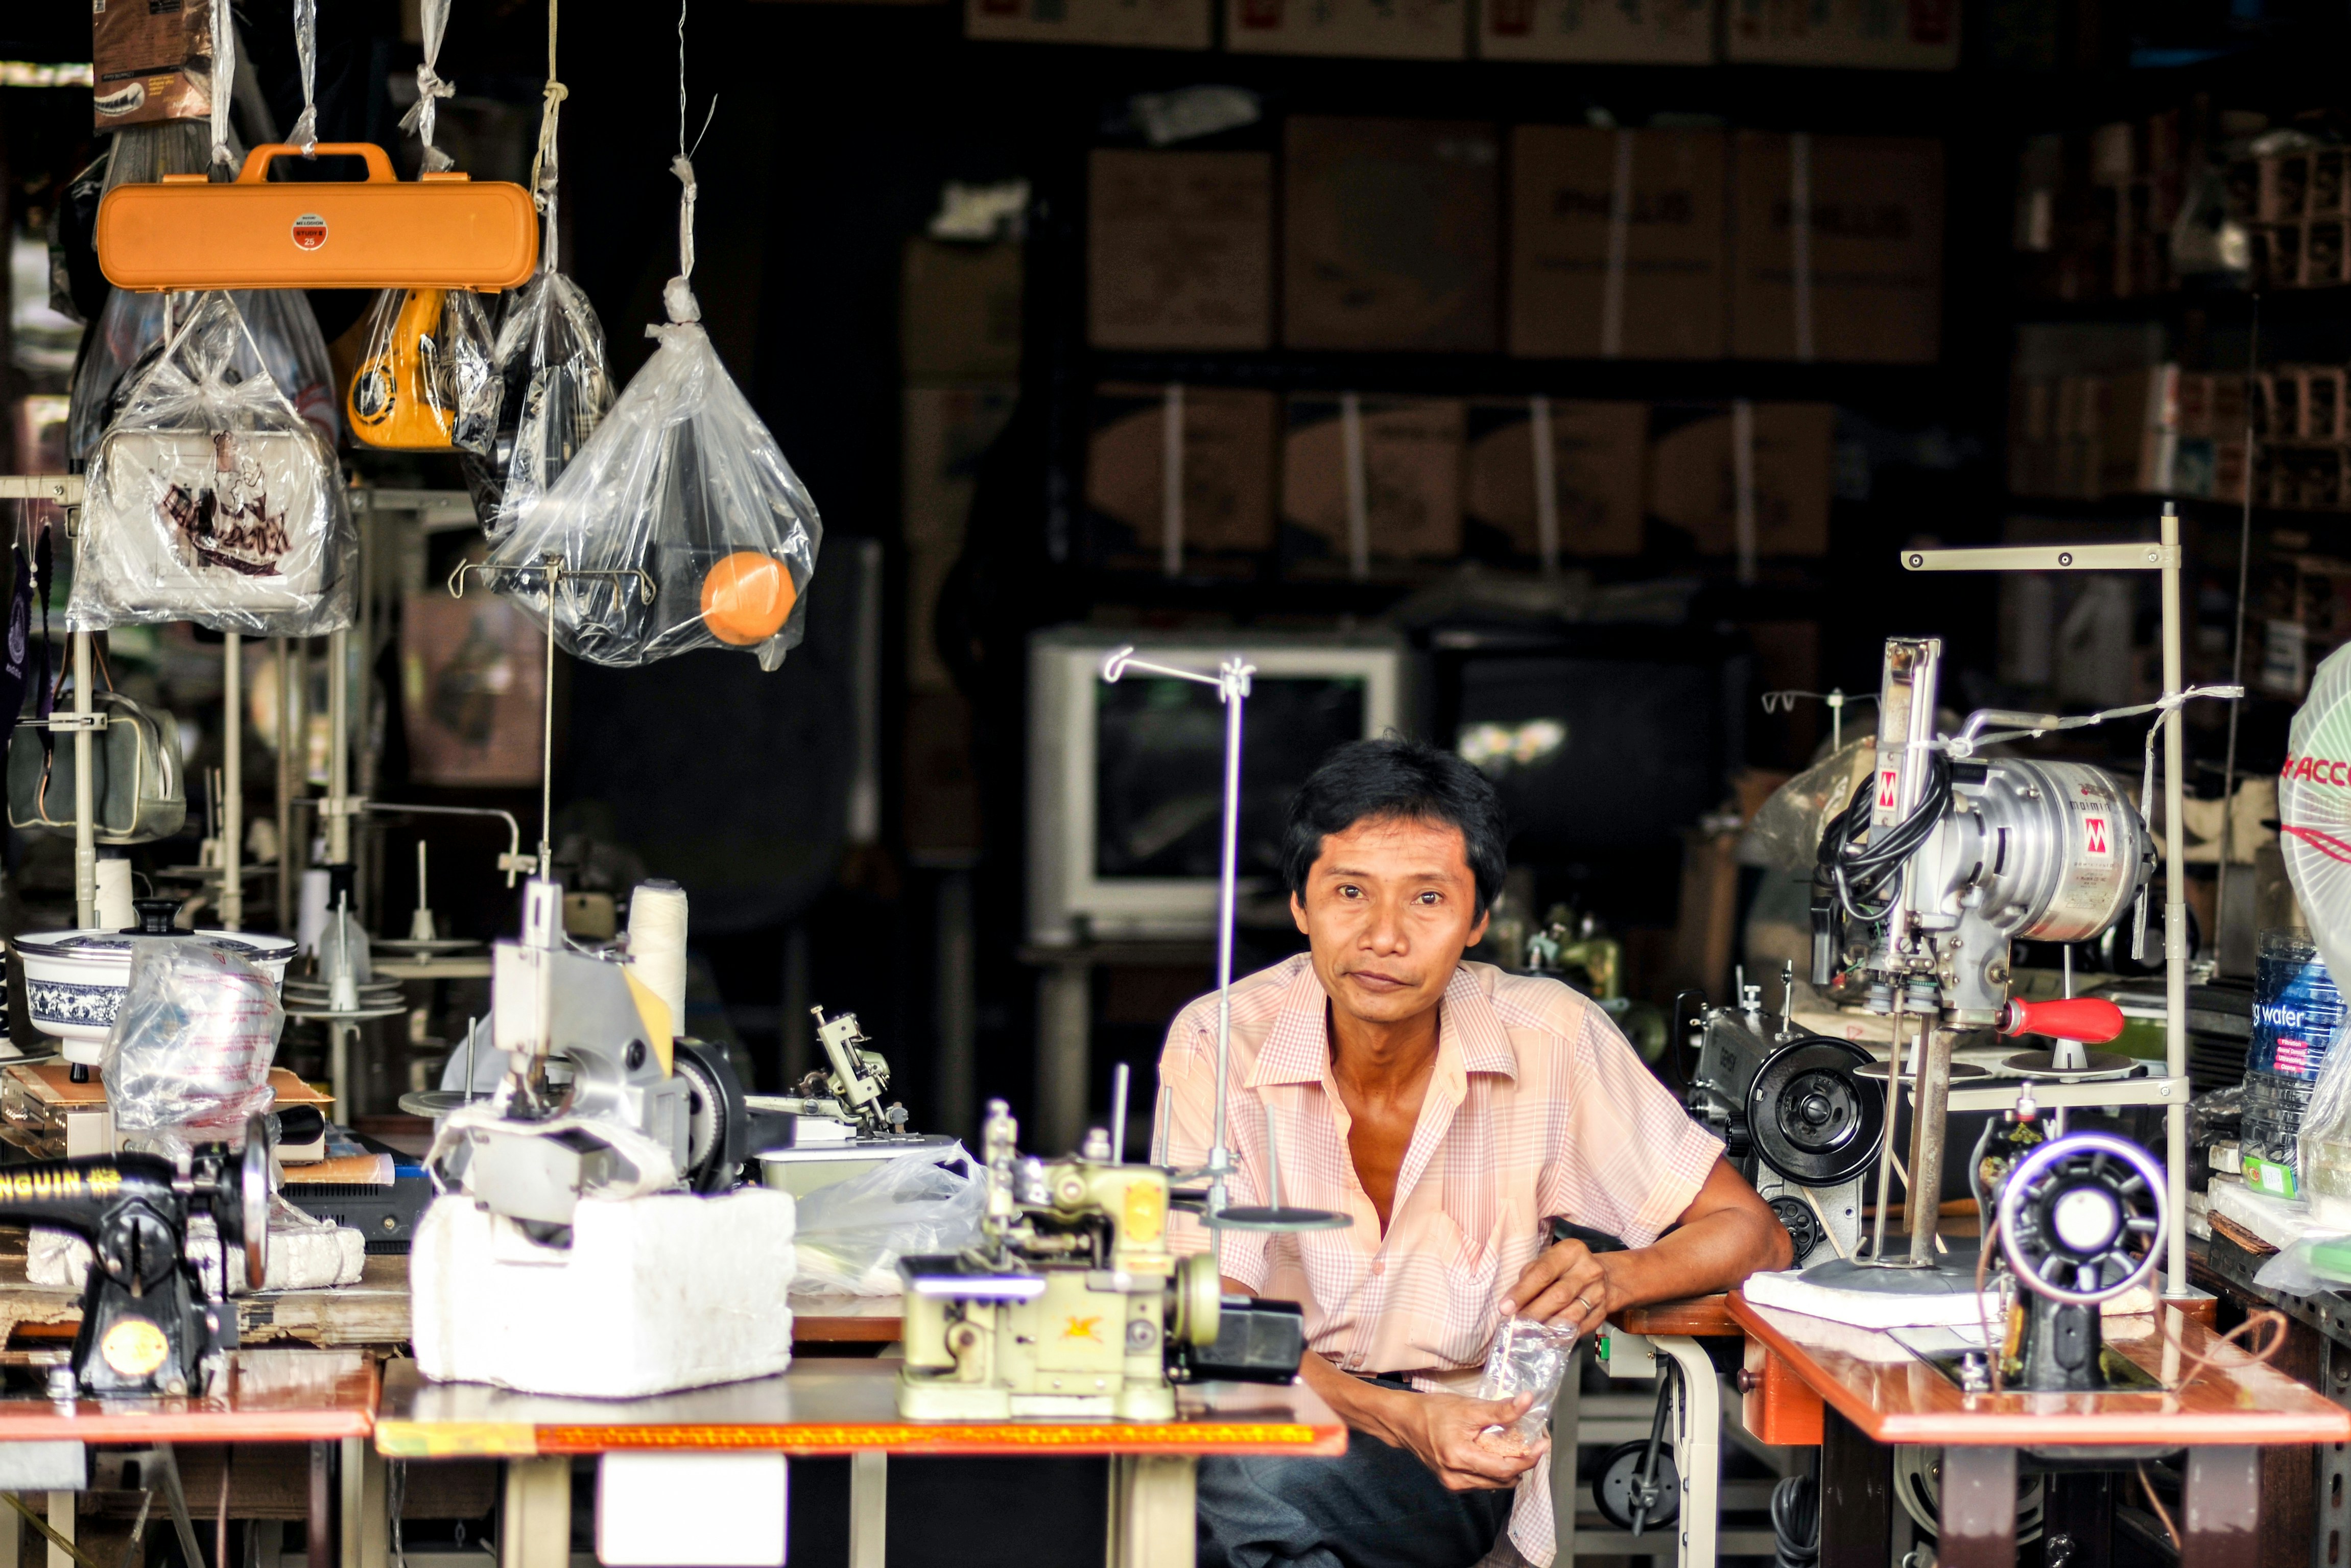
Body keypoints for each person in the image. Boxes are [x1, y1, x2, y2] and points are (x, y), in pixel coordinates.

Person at [1155, 738, 1790, 1568]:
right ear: (1303, 905)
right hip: (1278, 1410)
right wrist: (1396, 1417)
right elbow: (1215, 1332)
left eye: (1427, 898)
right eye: (1350, 891)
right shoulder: (1220, 1041)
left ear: (1479, 919)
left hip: (1456, 1457)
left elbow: (1752, 1231)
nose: (1384, 936)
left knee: (1233, 1486)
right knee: (1246, 1467)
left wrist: (1616, 1275)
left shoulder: (1549, 1036)